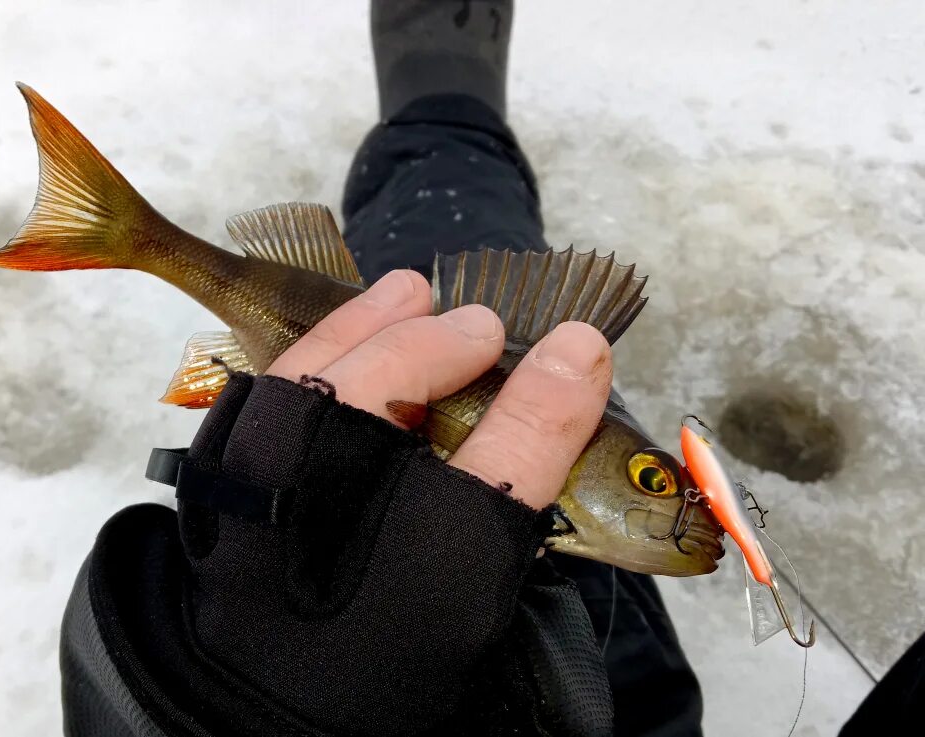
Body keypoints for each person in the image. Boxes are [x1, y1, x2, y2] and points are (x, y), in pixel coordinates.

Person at [60, 3, 705, 735]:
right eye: (653, 479)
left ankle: (438, 119)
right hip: (613, 654)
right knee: (475, 275)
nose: (668, 498)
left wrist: (217, 707)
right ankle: (445, 120)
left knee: (428, 247)